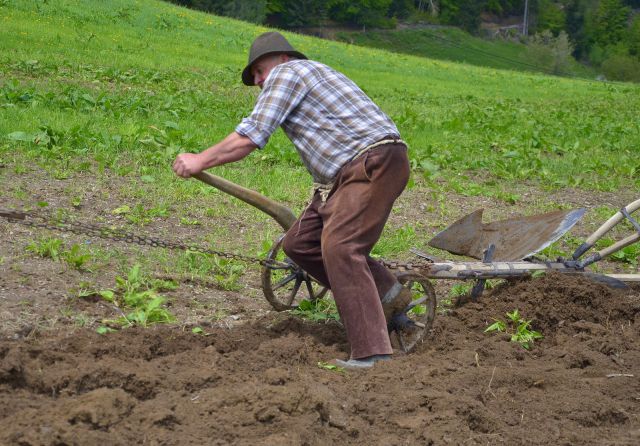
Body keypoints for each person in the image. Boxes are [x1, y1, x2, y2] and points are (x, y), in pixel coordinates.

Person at [173, 31, 412, 369]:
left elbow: (251, 136)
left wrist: (200, 159)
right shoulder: (304, 78)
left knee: (341, 248)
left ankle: (373, 353)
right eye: (254, 76)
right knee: (299, 243)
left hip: (372, 161)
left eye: (259, 70)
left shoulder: (290, 73)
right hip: (341, 176)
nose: (257, 81)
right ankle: (387, 292)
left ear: (283, 59)